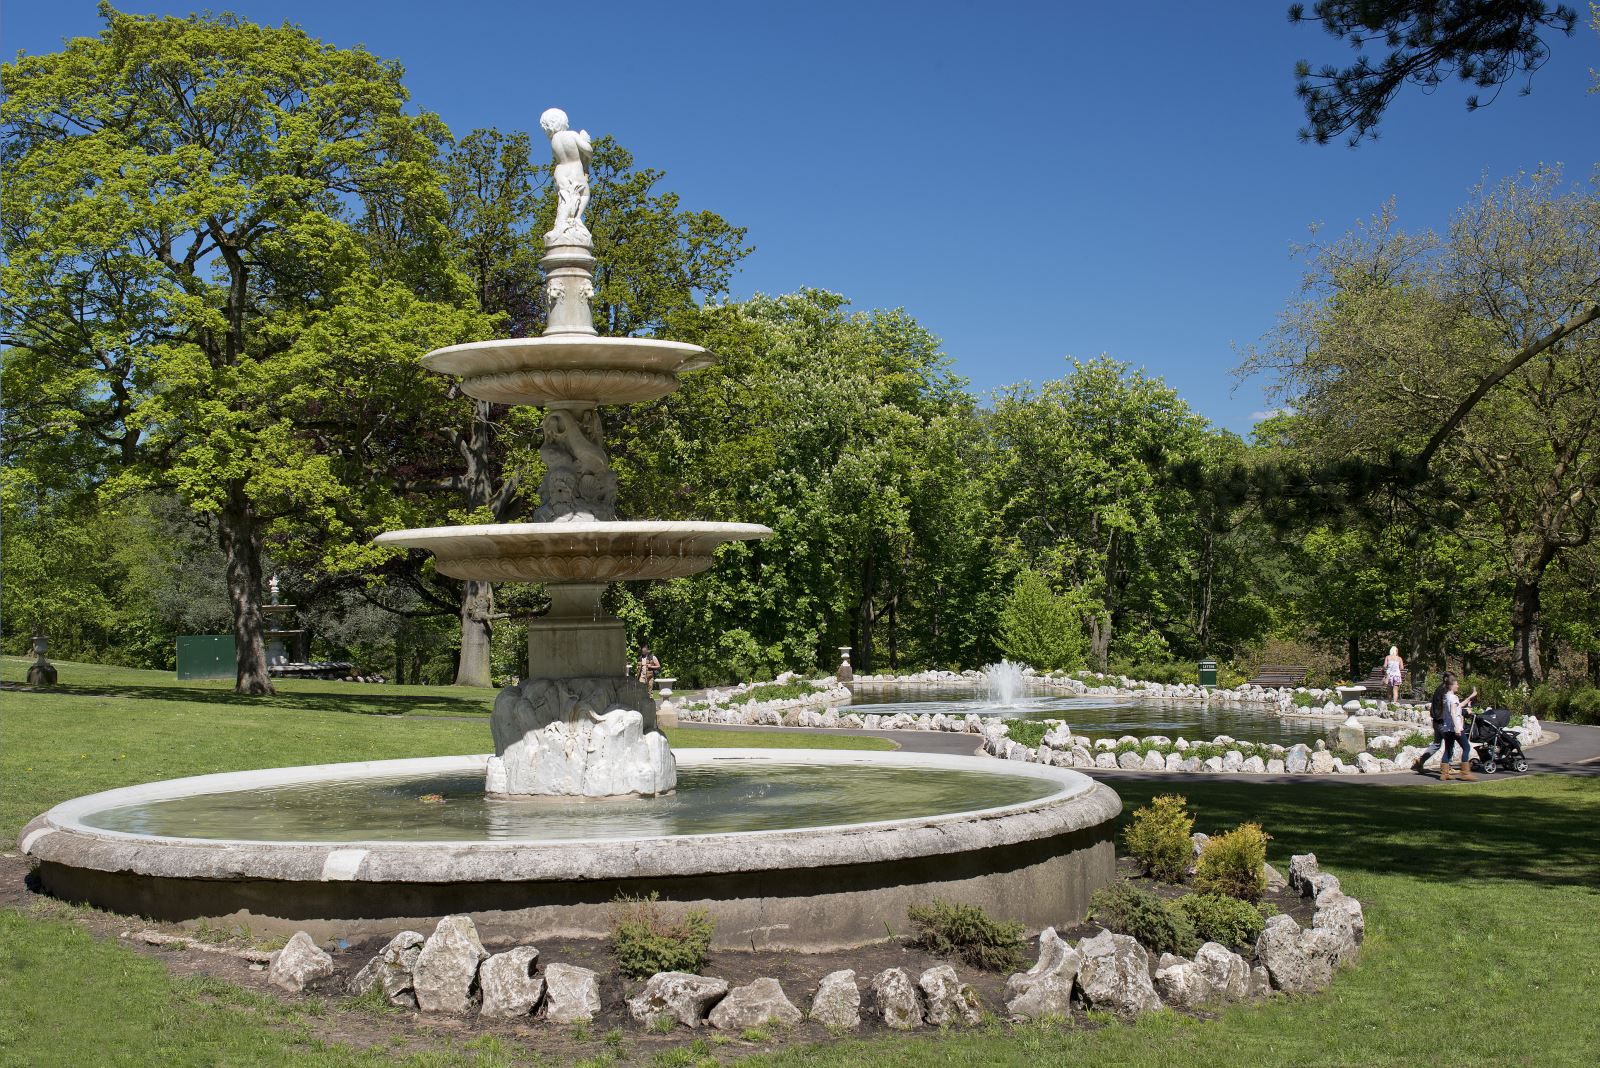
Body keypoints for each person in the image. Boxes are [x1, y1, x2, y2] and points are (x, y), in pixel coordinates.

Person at [1437, 675, 1477, 781]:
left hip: (1446, 728)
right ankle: (1465, 773)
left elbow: (1458, 706)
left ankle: (1444, 773)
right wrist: (1457, 728)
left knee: (1448, 749)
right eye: (1456, 684)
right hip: (1455, 727)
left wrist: (1470, 696)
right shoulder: (1453, 698)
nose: (1458, 686)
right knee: (1466, 747)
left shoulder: (1446, 696)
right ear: (1451, 686)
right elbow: (1453, 712)